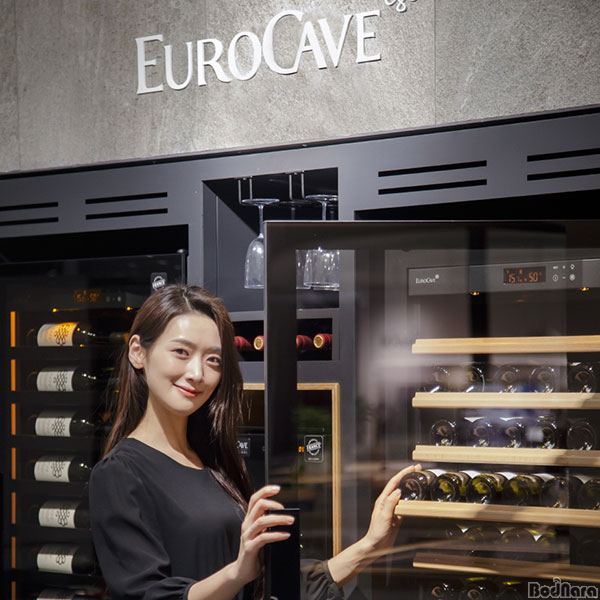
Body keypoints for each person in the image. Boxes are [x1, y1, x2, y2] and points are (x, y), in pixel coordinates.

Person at [89, 284, 419, 600]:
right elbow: (149, 595)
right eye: (181, 352)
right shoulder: (118, 475)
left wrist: (370, 546)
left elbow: (263, 586)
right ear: (138, 352)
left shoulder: (213, 460)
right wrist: (237, 573)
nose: (197, 373)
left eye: (213, 360)